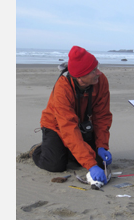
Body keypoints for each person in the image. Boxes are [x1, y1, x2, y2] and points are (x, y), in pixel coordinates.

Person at [29, 46, 113, 184]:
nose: (99, 72)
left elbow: (102, 116)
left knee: (98, 161)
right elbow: (68, 127)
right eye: (93, 71)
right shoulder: (62, 88)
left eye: (97, 67)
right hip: (55, 125)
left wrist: (102, 145)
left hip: (81, 124)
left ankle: (69, 149)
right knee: (56, 165)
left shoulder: (101, 81)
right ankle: (38, 150)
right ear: (80, 78)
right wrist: (90, 165)